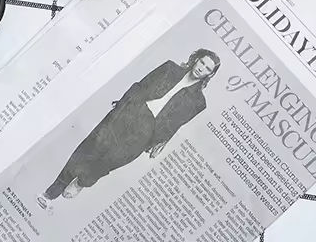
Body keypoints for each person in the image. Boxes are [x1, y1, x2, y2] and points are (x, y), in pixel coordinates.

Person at [37, 48, 221, 210]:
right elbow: (141, 85)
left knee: (110, 160)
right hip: (131, 110)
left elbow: (176, 124)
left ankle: (82, 181)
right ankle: (52, 192)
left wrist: (157, 141)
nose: (201, 68)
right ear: (196, 59)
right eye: (202, 62)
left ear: (210, 75)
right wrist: (121, 107)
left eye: (207, 68)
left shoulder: (198, 102)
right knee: (90, 148)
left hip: (148, 130)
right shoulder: (170, 68)